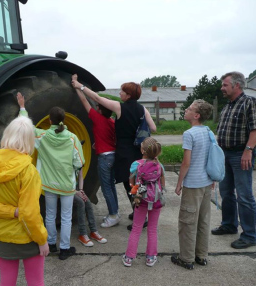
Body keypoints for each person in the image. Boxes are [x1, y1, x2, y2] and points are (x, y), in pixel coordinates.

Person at [71, 78, 157, 230]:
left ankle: (140, 217)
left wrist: (80, 85)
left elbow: (97, 98)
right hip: (137, 152)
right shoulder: (143, 109)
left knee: (129, 185)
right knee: (136, 184)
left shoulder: (119, 108)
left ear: (128, 95)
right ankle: (138, 211)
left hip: (124, 153)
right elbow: (153, 128)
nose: (120, 93)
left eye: (122, 91)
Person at [0, 116, 49, 286]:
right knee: (36, 282)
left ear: (7, 135)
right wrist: (42, 239)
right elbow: (29, 213)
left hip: (1, 236)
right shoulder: (28, 170)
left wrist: (10, 212)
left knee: (7, 282)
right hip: (28, 237)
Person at [17, 92, 85, 260]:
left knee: (49, 215)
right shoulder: (73, 138)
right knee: (66, 217)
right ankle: (64, 249)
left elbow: (27, 127)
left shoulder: (43, 136)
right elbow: (79, 162)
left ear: (49, 120)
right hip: (67, 185)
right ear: (64, 119)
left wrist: (22, 107)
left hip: (48, 184)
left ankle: (51, 243)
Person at [212, 71, 256, 249]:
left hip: (241, 154)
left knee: (244, 195)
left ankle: (250, 235)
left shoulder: (250, 102)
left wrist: (248, 150)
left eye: (225, 85)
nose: (222, 88)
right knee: (226, 192)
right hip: (225, 154)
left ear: (237, 85)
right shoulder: (228, 106)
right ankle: (229, 224)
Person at [170, 100, 214, 270]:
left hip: (193, 184)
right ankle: (201, 256)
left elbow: (186, 163)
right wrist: (213, 180)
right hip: (206, 183)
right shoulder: (209, 131)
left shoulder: (189, 133)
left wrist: (179, 183)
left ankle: (186, 258)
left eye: (189, 109)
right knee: (203, 220)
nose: (185, 110)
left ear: (196, 116)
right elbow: (211, 157)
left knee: (188, 222)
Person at [72, 74, 120, 227]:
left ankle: (113, 215)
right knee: (111, 186)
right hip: (113, 156)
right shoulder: (111, 122)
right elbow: (112, 139)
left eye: (97, 106)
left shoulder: (97, 118)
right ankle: (115, 212)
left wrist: (77, 87)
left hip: (104, 158)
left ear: (99, 110)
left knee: (106, 188)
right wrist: (97, 144)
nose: (96, 107)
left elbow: (85, 102)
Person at [122, 137, 163, 267]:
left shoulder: (136, 164)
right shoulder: (159, 165)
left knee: (136, 228)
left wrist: (135, 191)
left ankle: (129, 258)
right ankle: (150, 258)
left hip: (141, 199)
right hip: (156, 200)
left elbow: (131, 182)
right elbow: (162, 184)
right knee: (152, 229)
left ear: (142, 150)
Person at [74, 168, 108, 246]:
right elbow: (64, 183)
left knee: (88, 202)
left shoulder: (79, 159)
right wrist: (76, 192)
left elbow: (80, 175)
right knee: (81, 203)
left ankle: (93, 231)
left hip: (75, 189)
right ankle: (82, 234)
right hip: (66, 189)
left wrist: (81, 190)